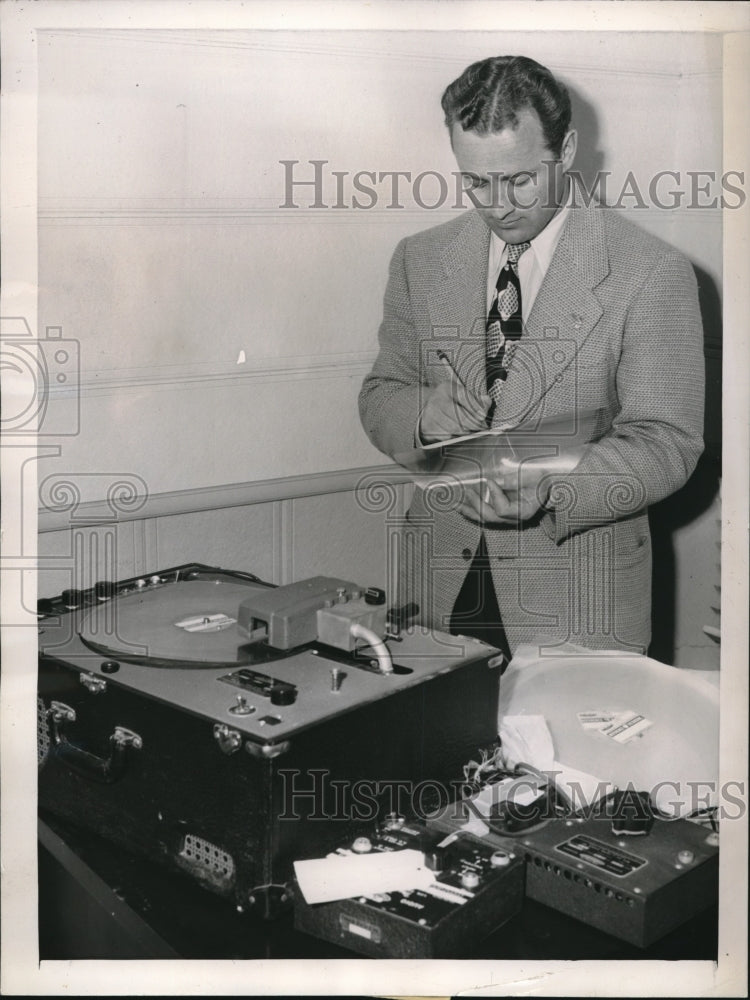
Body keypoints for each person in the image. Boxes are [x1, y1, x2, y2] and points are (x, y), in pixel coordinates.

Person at [358, 55, 704, 659]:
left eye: (519, 179)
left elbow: (666, 443)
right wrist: (420, 413)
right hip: (438, 584)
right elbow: (381, 393)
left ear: (566, 151)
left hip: (576, 595)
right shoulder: (419, 259)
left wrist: (553, 485)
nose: (497, 205)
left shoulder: (650, 272)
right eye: (476, 182)